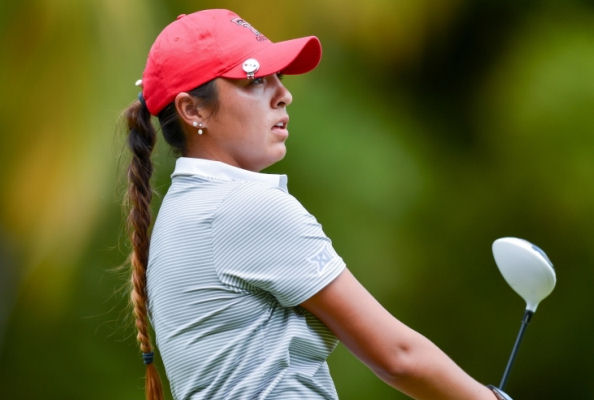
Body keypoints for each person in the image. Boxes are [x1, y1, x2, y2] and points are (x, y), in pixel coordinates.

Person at [122, 8, 511, 400]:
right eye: (254, 79)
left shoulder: (181, 211)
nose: (283, 94)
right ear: (193, 110)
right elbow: (398, 356)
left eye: (279, 77)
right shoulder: (243, 207)